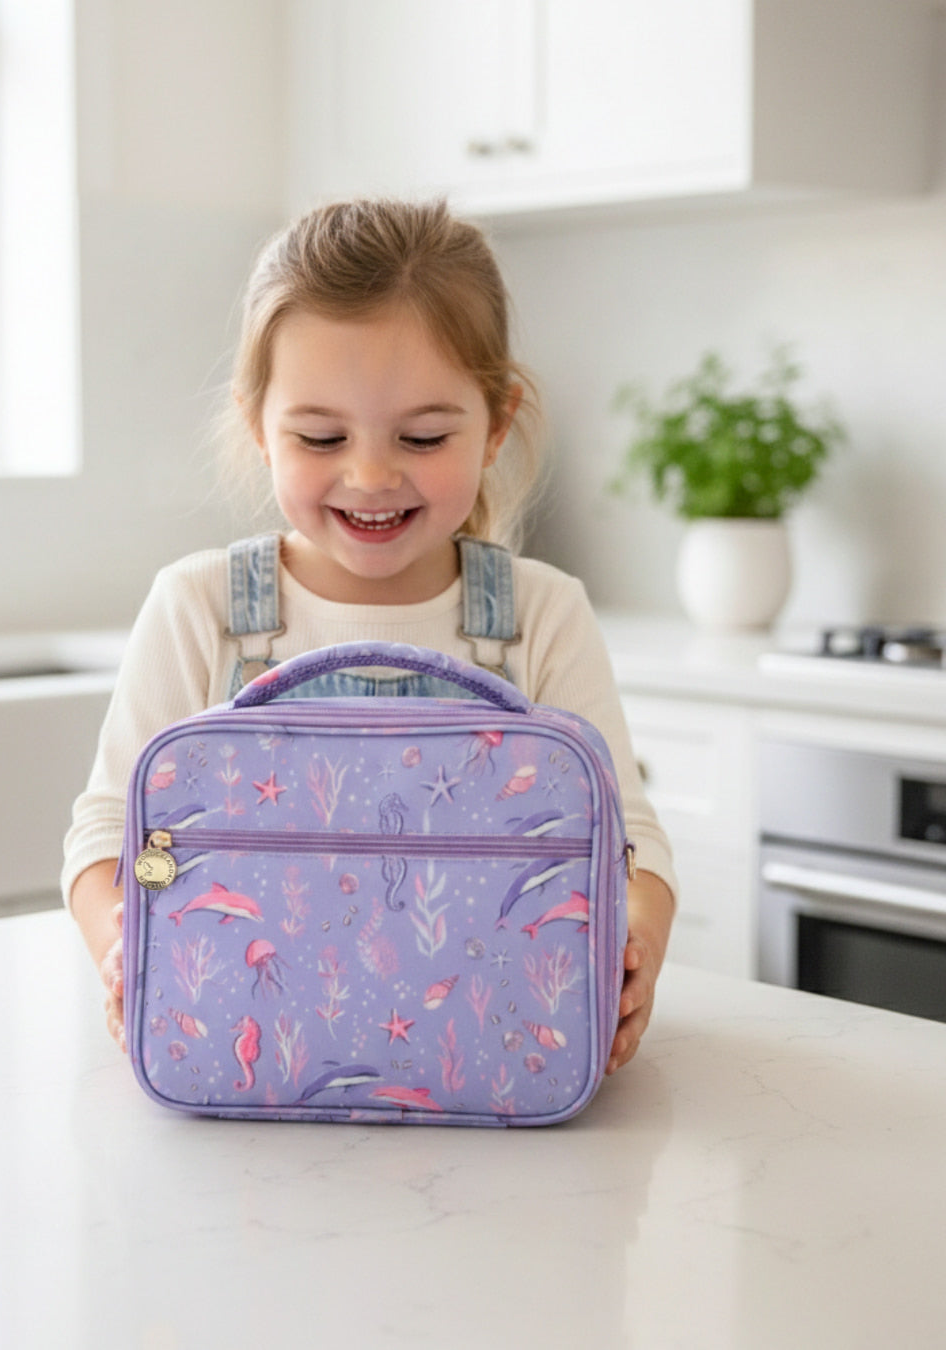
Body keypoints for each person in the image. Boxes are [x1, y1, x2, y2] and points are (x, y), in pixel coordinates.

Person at [63, 197, 676, 1077]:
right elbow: (105, 830)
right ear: (257, 427)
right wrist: (120, 938)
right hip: (243, 1088)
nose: (371, 474)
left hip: (502, 1071)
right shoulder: (200, 606)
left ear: (497, 421)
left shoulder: (544, 614)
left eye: (423, 436)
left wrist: (638, 941)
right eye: (321, 436)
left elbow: (630, 841)